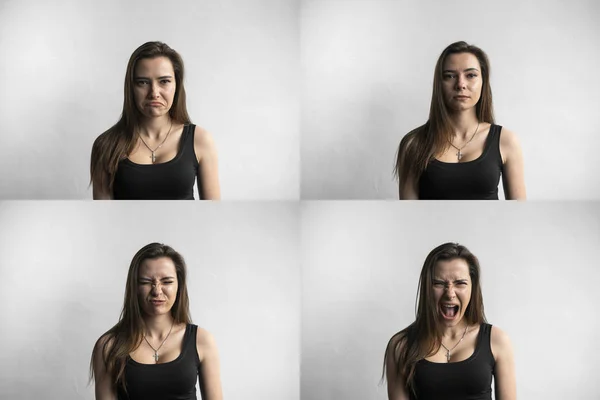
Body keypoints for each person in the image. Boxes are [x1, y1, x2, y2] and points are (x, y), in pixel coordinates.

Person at [394, 42, 526, 200]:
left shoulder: (506, 140)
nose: (461, 84)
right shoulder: (413, 144)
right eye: (449, 76)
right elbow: (409, 217)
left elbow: (518, 215)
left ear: (483, 82)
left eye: (471, 75)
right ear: (439, 84)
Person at [383, 243, 516, 400]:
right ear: (427, 287)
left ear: (472, 287)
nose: (450, 293)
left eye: (460, 283)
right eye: (439, 283)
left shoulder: (497, 340)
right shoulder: (401, 346)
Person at [90, 243, 222, 400]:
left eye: (167, 282)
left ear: (179, 286)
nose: (157, 291)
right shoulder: (109, 346)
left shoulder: (202, 340)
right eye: (146, 282)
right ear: (134, 287)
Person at [90, 42, 220, 200]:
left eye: (164, 81)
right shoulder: (106, 145)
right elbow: (103, 219)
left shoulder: (200, 140)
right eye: (143, 82)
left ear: (177, 86)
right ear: (131, 87)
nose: (154, 93)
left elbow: (213, 215)